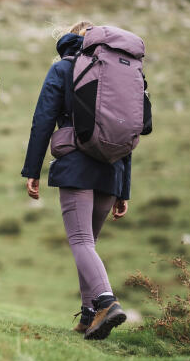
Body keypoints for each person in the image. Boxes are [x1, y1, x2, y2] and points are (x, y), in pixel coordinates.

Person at [21, 20, 130, 340]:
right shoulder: (120, 75)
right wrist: (124, 189)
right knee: (88, 245)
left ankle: (107, 302)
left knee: (81, 243)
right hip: (111, 170)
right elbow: (127, 133)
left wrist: (32, 170)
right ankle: (88, 315)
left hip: (76, 166)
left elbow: (42, 120)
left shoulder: (63, 69)